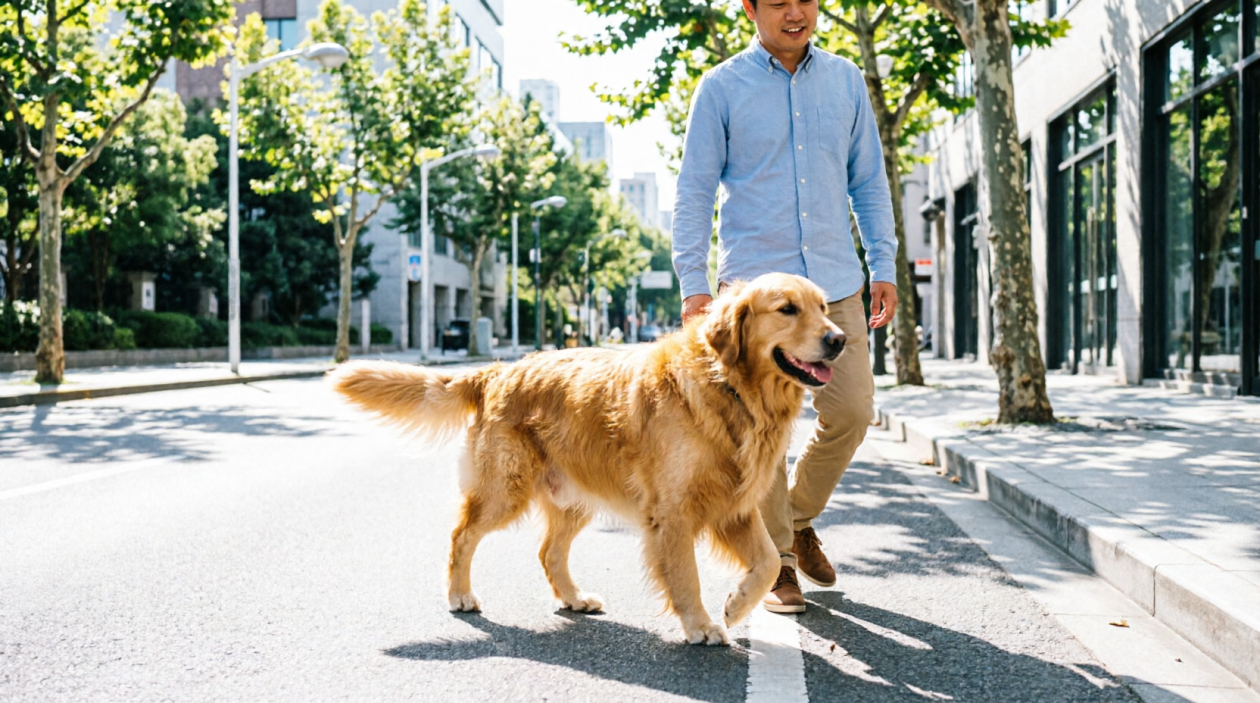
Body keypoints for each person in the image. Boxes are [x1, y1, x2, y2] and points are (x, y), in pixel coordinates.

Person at [671, 0, 898, 614]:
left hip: (833, 286)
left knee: (851, 411)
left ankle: (796, 519)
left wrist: (884, 265)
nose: (795, 12)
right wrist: (694, 285)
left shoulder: (846, 80)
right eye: (777, 2)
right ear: (749, 8)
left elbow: (868, 180)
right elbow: (694, 190)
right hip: (754, 299)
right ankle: (778, 564)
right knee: (761, 429)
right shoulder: (720, 88)